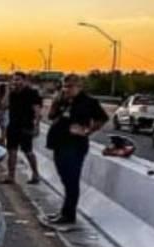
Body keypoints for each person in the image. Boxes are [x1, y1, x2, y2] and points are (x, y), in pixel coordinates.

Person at [45, 74, 108, 226]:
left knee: (71, 180)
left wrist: (87, 130)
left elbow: (102, 118)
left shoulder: (88, 102)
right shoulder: (62, 100)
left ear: (79, 86)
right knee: (65, 179)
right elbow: (51, 116)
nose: (67, 89)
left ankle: (68, 215)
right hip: (58, 142)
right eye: (65, 86)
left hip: (74, 145)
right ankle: (64, 211)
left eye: (71, 86)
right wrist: (56, 101)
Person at [2, 72, 43, 185]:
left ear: (25, 81)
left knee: (28, 151)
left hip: (26, 126)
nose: (16, 82)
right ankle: (11, 176)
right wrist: (7, 92)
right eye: (14, 80)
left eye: (19, 79)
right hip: (13, 126)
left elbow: (37, 111)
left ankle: (35, 174)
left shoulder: (32, 93)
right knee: (11, 151)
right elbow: (4, 106)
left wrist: (36, 126)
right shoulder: (12, 93)